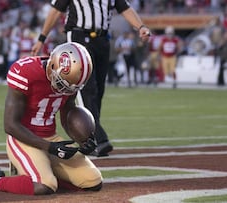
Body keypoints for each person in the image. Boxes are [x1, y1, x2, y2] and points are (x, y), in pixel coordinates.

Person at [0, 42, 102, 195]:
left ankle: (44, 173)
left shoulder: (69, 79)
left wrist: (83, 141)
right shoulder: (25, 72)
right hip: (23, 139)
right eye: (63, 84)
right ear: (53, 65)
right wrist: (50, 147)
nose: (64, 90)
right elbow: (10, 125)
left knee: (92, 181)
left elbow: (67, 112)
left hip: (51, 138)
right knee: (43, 186)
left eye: (70, 87)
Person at [31, 0, 151, 157]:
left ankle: (90, 135)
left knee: (99, 90)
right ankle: (97, 139)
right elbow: (56, 10)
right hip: (79, 35)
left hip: (102, 39)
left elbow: (124, 8)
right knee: (87, 88)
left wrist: (140, 26)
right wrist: (42, 38)